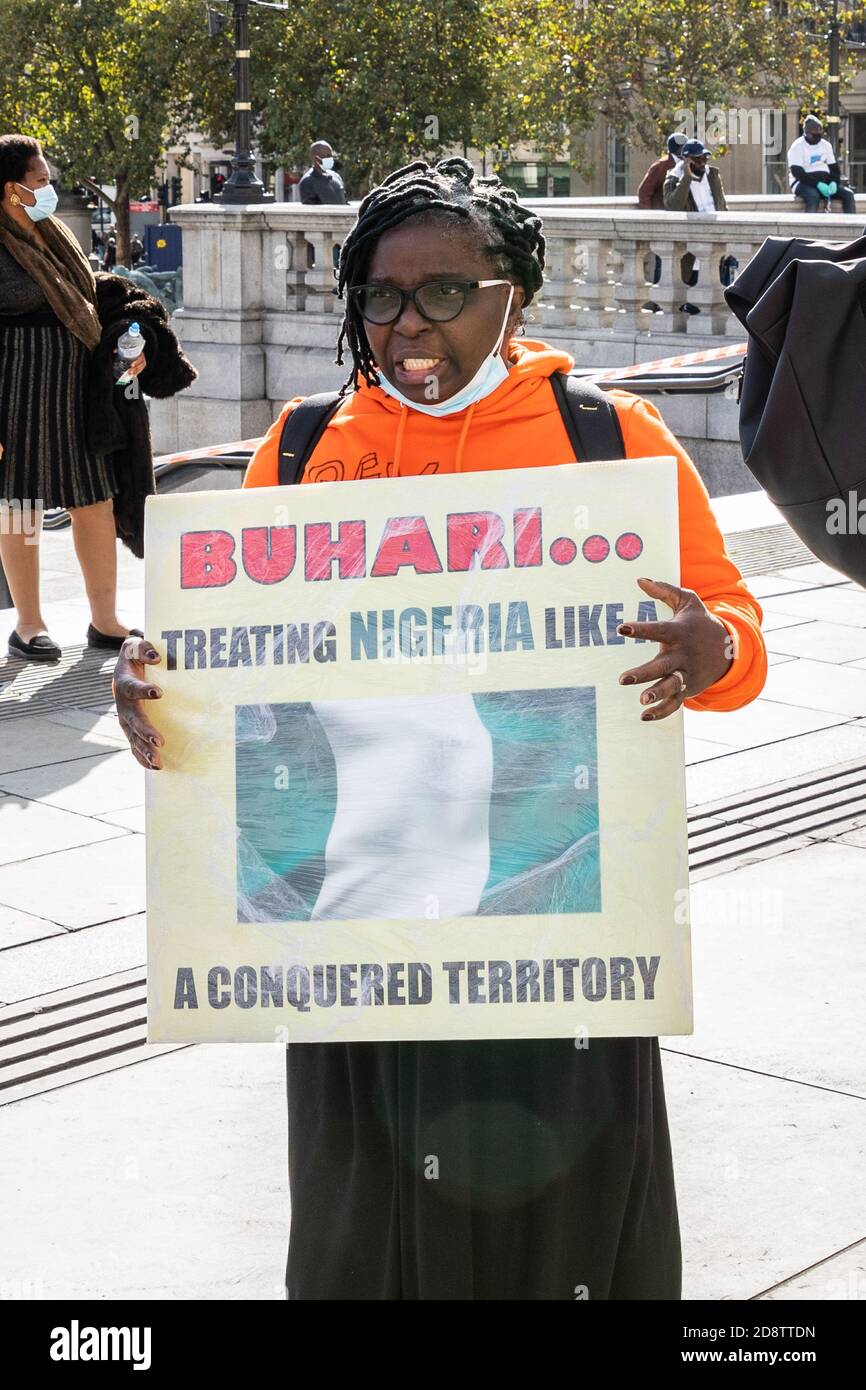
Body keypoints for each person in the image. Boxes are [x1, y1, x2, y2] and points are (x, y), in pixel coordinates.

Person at [112, 157, 767, 1300]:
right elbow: (234, 660)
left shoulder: (610, 441)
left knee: (557, 1225)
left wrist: (711, 647)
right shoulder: (306, 446)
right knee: (365, 1228)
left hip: (561, 957)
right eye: (380, 296)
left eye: (444, 292)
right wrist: (159, 684)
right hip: (359, 952)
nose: (409, 324)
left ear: (512, 295)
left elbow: (733, 652)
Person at [0, 134, 145, 661]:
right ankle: (29, 625)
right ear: (10, 189)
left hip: (75, 390)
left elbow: (91, 296)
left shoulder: (53, 234)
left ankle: (104, 622)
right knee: (20, 507)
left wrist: (130, 337)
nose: (48, 189)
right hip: (14, 394)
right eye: (39, 181)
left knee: (95, 501)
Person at [787, 114, 857, 214]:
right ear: (806, 133)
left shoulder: (826, 145)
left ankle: (851, 224)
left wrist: (834, 182)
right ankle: (809, 226)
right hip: (802, 183)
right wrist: (817, 184)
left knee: (848, 194)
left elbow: (834, 169)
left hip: (825, 182)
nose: (818, 134)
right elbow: (797, 172)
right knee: (813, 196)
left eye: (820, 131)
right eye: (814, 132)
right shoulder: (797, 146)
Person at [663, 139, 727, 212]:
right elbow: (674, 207)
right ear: (685, 159)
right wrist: (686, 178)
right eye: (697, 159)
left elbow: (723, 205)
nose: (702, 163)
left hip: (716, 222)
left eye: (705, 158)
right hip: (694, 223)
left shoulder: (712, 175)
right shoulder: (673, 178)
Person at [637, 131, 688, 210]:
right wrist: (648, 217)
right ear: (678, 148)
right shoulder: (661, 166)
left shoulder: (687, 163)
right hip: (663, 214)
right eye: (684, 146)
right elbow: (644, 192)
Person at [298, 140, 348, 206]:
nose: (331, 158)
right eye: (328, 156)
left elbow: (345, 201)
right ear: (316, 158)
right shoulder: (307, 182)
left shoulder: (336, 176)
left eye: (331, 155)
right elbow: (310, 212)